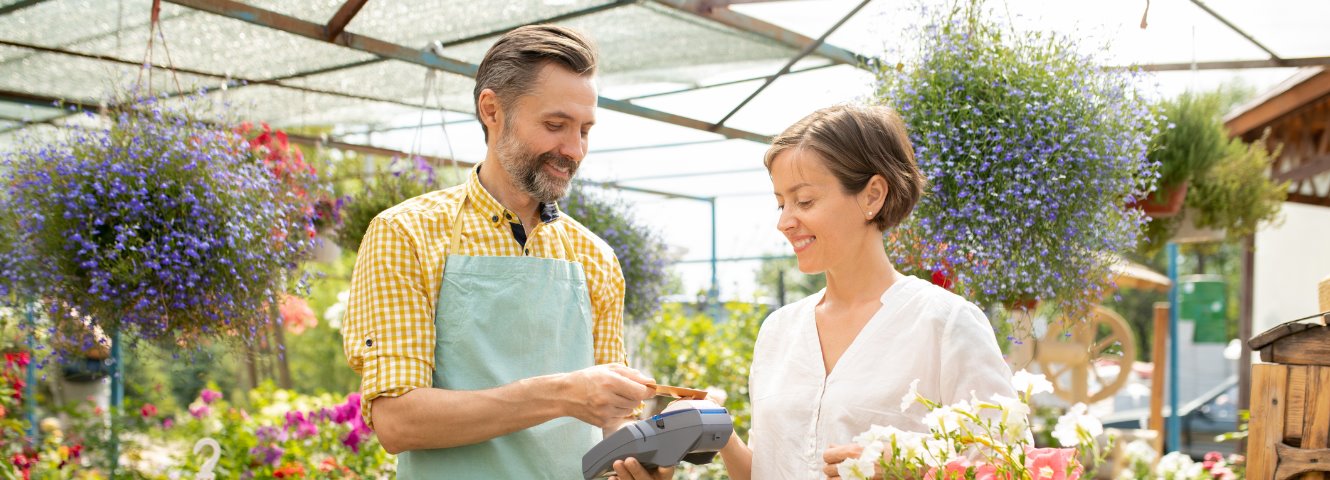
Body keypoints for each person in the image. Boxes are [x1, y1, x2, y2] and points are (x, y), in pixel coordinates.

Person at [341, 25, 661, 479]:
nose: (573, 150)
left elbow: (614, 419)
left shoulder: (595, 257)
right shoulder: (406, 234)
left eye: (585, 130)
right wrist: (563, 394)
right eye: (555, 125)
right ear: (492, 110)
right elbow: (398, 420)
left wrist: (638, 463)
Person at [729, 104, 1017, 479]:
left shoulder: (945, 324)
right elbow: (770, 468)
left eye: (804, 201)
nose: (784, 222)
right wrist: (719, 437)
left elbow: (1007, 466)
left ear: (872, 196)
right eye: (781, 203)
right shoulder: (778, 331)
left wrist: (907, 471)